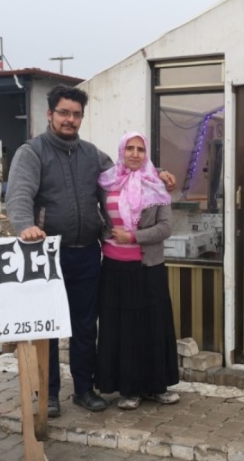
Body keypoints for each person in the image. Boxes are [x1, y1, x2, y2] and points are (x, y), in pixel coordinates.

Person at [5, 86, 174, 417]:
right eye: (64, 113)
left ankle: (84, 388)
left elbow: (128, 172)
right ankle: (49, 394)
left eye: (76, 114)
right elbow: (20, 194)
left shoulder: (92, 154)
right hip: (48, 254)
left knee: (85, 326)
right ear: (50, 114)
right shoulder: (32, 152)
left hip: (87, 255)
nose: (70, 120)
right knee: (50, 327)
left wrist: (159, 173)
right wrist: (25, 225)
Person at [96, 132, 180, 410]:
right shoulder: (106, 183)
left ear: (147, 156)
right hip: (114, 268)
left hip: (148, 267)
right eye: (129, 148)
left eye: (140, 150)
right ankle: (127, 390)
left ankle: (157, 386)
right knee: (122, 329)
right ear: (121, 152)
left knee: (152, 326)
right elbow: (95, 216)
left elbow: (166, 228)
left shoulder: (156, 185)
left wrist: (133, 237)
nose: (134, 154)